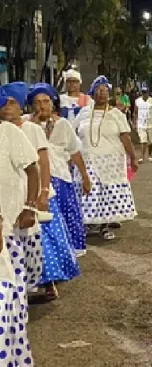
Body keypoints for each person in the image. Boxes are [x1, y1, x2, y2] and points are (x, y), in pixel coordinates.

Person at [2, 82, 80, 300]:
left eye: (12, 104)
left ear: (20, 107)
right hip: (11, 197)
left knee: (41, 242)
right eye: (5, 104)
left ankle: (45, 284)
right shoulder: (13, 128)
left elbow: (42, 164)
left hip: (32, 195)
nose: (7, 108)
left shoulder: (31, 130)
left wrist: (43, 192)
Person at [0, 100, 40, 367]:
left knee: (10, 301)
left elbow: (33, 170)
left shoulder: (10, 134)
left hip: (9, 227)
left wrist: (30, 206)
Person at [28, 83, 92, 258]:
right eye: (37, 102)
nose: (42, 106)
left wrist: (85, 177)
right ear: (32, 105)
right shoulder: (26, 124)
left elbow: (75, 152)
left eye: (46, 101)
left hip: (61, 177)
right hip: (34, 180)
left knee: (67, 216)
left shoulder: (63, 124)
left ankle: (67, 254)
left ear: (53, 103)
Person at [73, 76, 138, 240]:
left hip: (110, 162)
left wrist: (133, 158)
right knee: (87, 190)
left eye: (105, 91)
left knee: (105, 194)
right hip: (87, 159)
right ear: (92, 94)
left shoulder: (116, 114)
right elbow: (72, 134)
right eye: (99, 90)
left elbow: (125, 138)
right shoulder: (84, 113)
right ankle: (87, 224)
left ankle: (104, 225)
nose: (102, 93)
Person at [134, 85, 152, 163]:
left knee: (150, 141)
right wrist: (134, 122)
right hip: (141, 124)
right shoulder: (137, 101)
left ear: (148, 93)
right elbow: (135, 112)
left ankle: (149, 155)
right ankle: (142, 157)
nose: (145, 94)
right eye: (143, 93)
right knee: (143, 141)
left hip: (151, 124)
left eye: (146, 92)